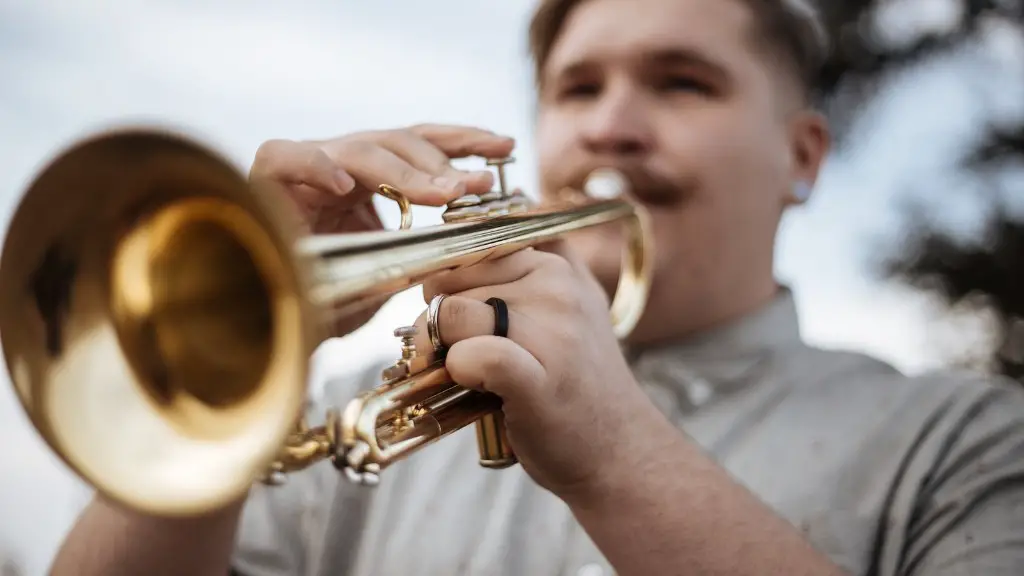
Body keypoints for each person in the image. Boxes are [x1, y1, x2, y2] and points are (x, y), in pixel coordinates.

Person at [47, 0, 1024, 575]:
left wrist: (617, 457)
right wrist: (235, 347)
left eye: (682, 82)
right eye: (576, 89)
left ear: (801, 156)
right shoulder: (347, 420)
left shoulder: (968, 439)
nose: (609, 129)